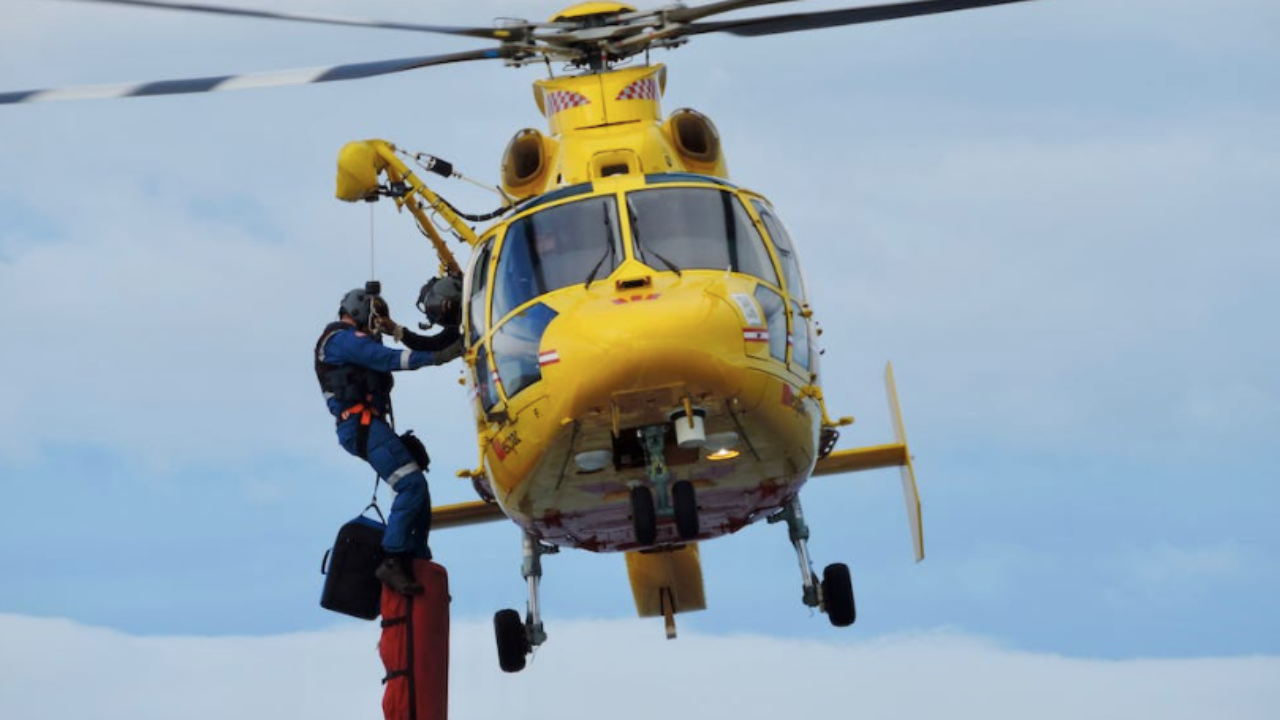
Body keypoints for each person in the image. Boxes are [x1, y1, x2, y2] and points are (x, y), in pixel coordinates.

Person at [314, 286, 464, 595]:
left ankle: (418, 558)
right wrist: (436, 358)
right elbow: (383, 357)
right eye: (374, 318)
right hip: (361, 425)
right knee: (411, 485)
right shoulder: (341, 339)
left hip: (369, 426)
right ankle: (393, 558)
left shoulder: (350, 343)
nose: (377, 326)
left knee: (418, 490)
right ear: (357, 311)